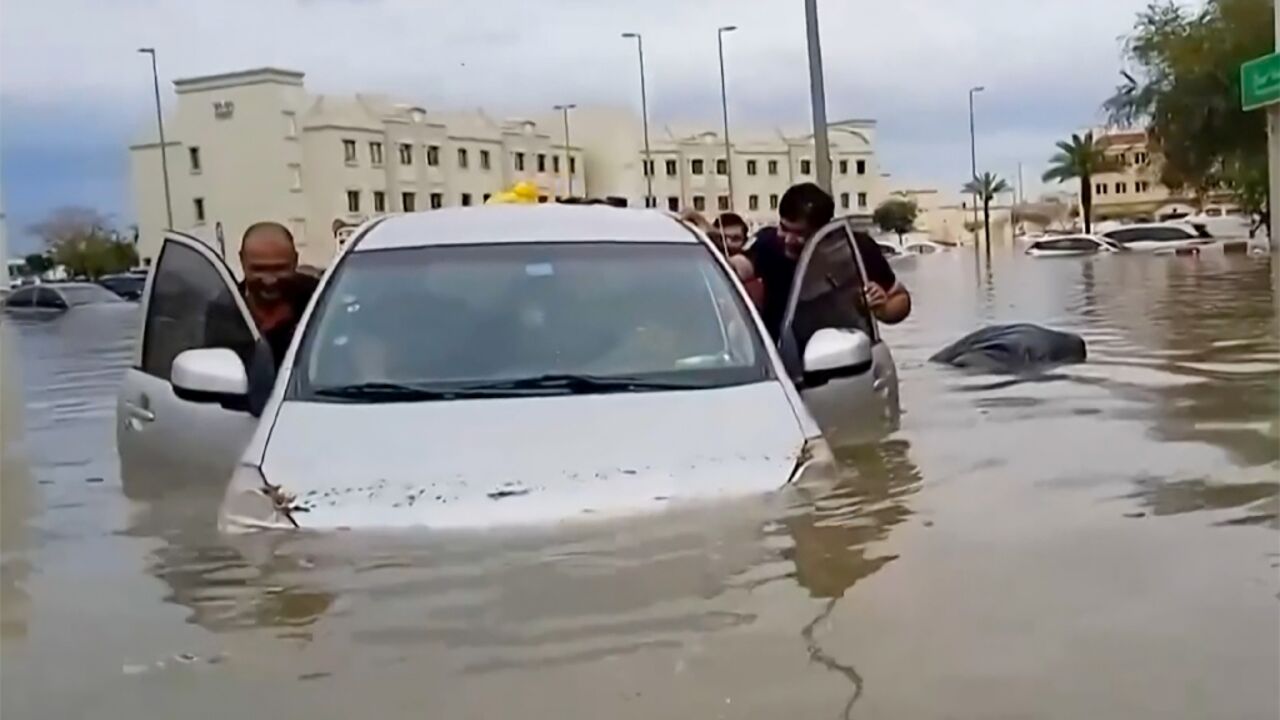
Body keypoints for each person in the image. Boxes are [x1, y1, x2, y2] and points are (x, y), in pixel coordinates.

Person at [748, 182, 910, 339]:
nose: (789, 239)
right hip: (777, 356)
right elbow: (741, 266)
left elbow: (900, 298)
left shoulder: (855, 248)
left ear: (823, 232)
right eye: (784, 228)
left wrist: (883, 308)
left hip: (846, 354)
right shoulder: (767, 244)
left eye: (800, 233)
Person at [238, 222, 319, 367]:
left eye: (280, 269)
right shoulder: (227, 308)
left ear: (295, 261)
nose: (270, 280)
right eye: (259, 269)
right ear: (242, 262)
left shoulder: (320, 301)